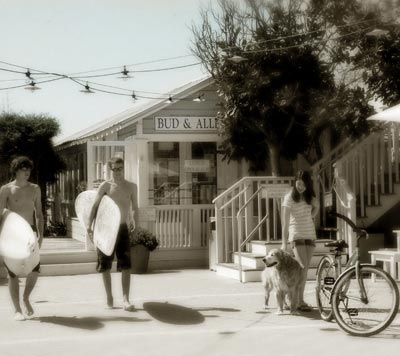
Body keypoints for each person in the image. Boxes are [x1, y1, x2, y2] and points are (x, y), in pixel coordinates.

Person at [87, 157, 138, 311]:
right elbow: (95, 206)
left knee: (126, 265)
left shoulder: (131, 186)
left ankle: (125, 299)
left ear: (124, 168)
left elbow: (134, 207)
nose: (117, 172)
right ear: (110, 170)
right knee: (105, 265)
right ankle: (109, 296)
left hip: (122, 228)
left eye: (120, 168)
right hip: (106, 230)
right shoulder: (105, 186)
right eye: (114, 169)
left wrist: (135, 221)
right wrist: (89, 226)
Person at [0, 156, 44, 321]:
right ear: (16, 171)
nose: (27, 173)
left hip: (30, 233)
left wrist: (41, 234)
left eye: (29, 170)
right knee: (12, 273)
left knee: (35, 269)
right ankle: (17, 310)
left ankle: (26, 297)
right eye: (23, 169)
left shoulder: (35, 189)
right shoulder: (6, 189)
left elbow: (39, 213)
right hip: (12, 234)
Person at [281, 170, 319, 312]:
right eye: (299, 183)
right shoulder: (289, 197)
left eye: (304, 184)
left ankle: (298, 300)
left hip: (310, 234)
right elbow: (285, 222)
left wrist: (311, 216)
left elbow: (317, 207)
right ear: (295, 181)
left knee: (305, 270)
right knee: (301, 268)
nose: (301, 186)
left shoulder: (310, 196)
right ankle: (296, 300)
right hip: (296, 234)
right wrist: (284, 242)